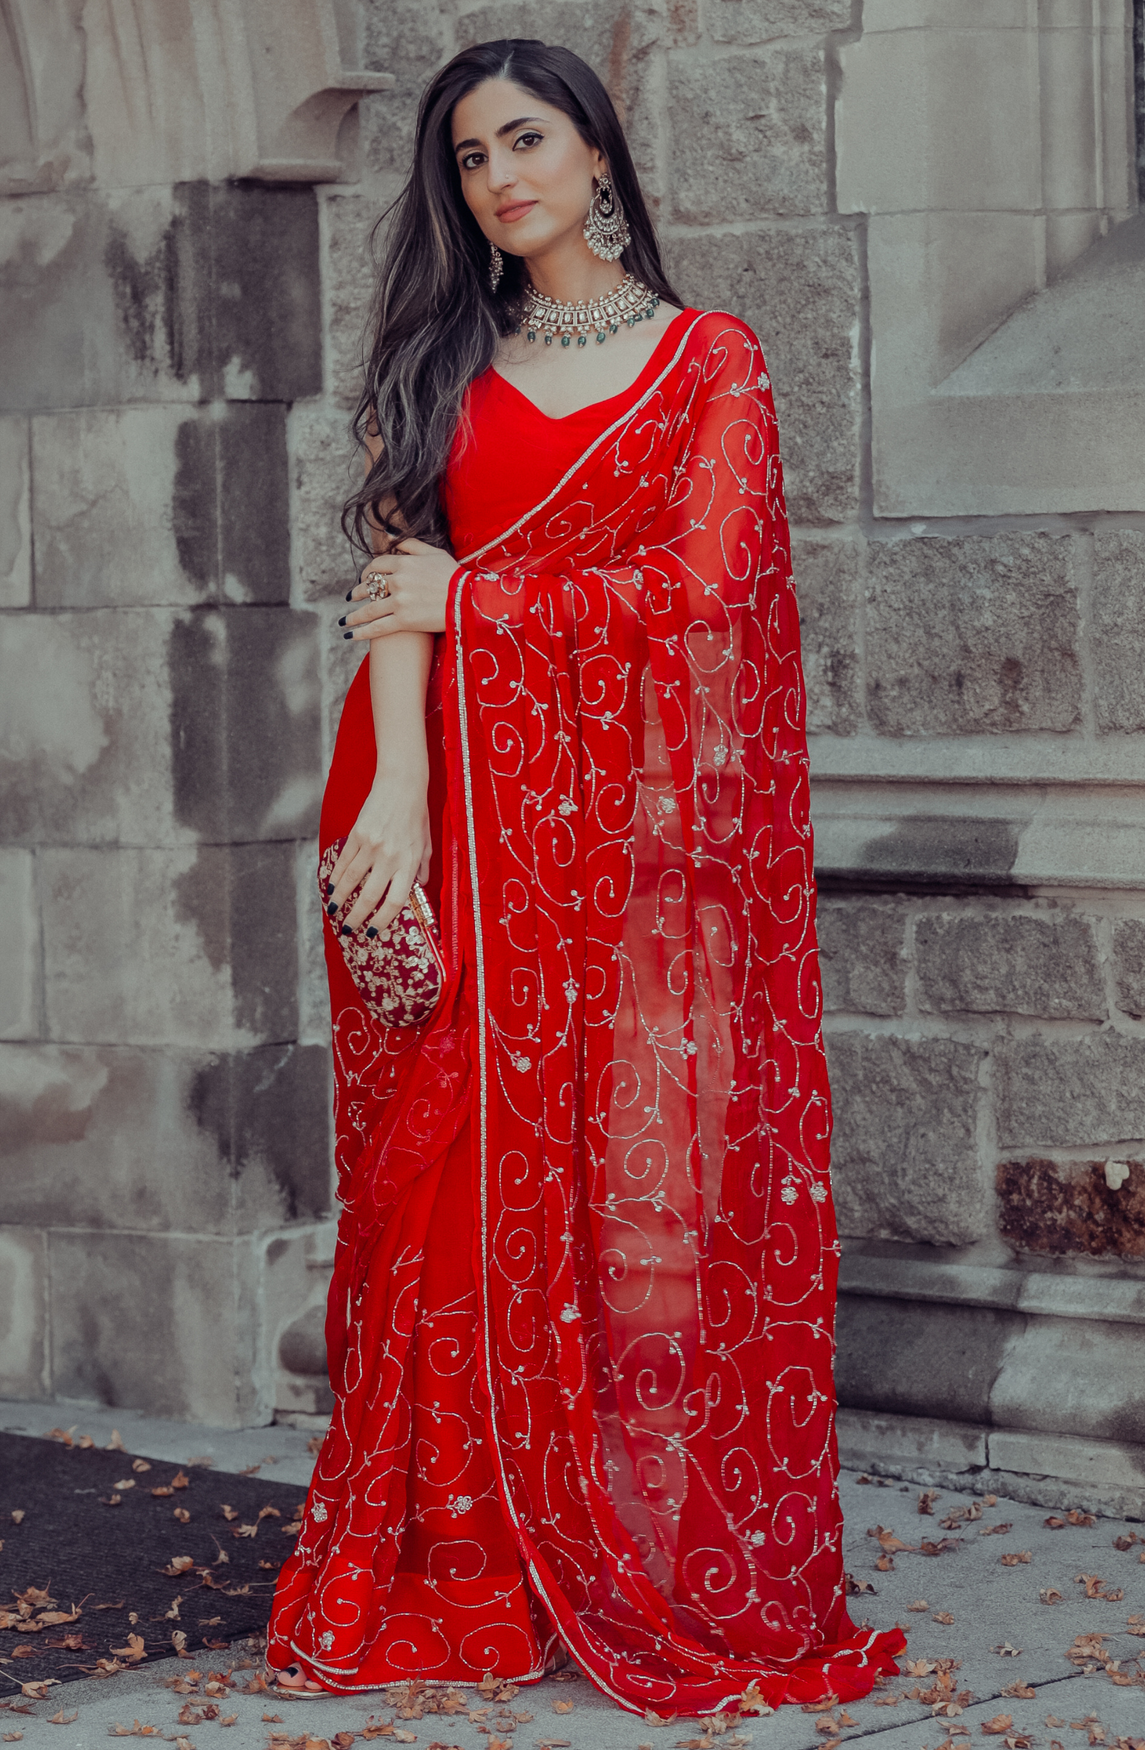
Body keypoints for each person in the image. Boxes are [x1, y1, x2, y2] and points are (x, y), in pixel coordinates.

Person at [266, 37, 904, 1719]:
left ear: (598, 150)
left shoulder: (712, 363)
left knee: (611, 1182)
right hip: (430, 806)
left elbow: (706, 591)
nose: (500, 176)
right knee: (440, 1176)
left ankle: (605, 1544)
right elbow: (400, 583)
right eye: (471, 158)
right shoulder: (446, 357)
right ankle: (463, 1572)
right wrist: (392, 799)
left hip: (603, 834)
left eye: (526, 138)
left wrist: (477, 609)